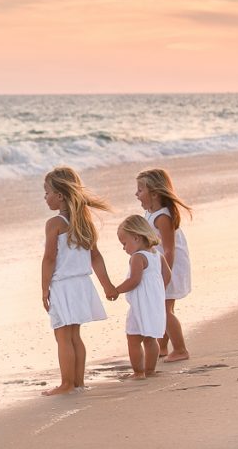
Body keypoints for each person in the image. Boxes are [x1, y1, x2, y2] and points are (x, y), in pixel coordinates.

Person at [41, 166, 117, 396]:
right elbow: (96, 257)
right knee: (74, 335)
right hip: (82, 284)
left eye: (47, 193)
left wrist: (44, 288)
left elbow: (49, 258)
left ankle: (66, 384)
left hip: (63, 285)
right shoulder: (85, 223)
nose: (45, 198)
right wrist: (107, 284)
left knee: (63, 336)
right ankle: (78, 382)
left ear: (60, 195)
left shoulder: (54, 223)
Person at [136, 168, 193, 362]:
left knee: (163, 308)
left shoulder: (162, 217)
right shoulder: (151, 213)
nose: (136, 194)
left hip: (170, 265)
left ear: (154, 193)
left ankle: (180, 349)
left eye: (140, 190)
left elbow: (169, 249)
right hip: (161, 265)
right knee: (164, 306)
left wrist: (164, 274)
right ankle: (162, 347)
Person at [114, 215, 171, 379]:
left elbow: (134, 280)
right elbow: (167, 276)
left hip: (140, 306)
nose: (124, 248)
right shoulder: (157, 255)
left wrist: (116, 290)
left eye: (124, 243)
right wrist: (156, 291)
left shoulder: (137, 257)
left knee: (133, 339)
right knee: (150, 339)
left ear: (136, 237)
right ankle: (150, 370)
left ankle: (139, 372)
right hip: (155, 304)